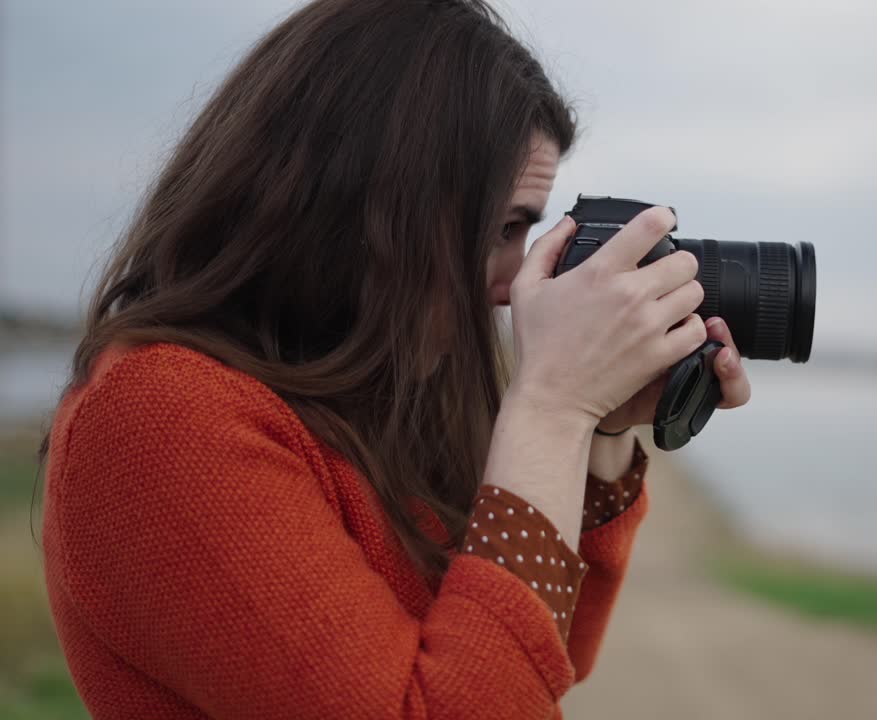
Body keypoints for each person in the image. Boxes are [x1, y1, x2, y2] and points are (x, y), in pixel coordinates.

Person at [39, 1, 751, 718]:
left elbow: (541, 660)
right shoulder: (160, 418)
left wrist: (597, 430)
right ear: (361, 203)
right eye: (503, 228)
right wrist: (554, 407)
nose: (512, 285)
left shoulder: (364, 398)